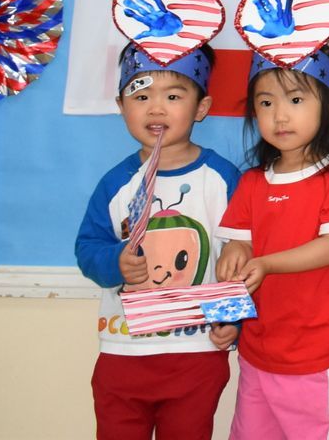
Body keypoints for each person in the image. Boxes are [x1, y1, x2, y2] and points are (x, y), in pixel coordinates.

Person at [75, 43, 241, 440]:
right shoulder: (116, 183)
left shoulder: (221, 179)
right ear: (121, 105)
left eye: (173, 96)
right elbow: (87, 248)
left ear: (201, 108)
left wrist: (234, 320)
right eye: (141, 95)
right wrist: (116, 261)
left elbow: (239, 257)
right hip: (123, 351)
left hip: (196, 354)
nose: (156, 108)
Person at [215, 47, 329, 440]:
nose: (280, 115)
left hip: (321, 351)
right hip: (258, 351)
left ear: (325, 106)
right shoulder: (251, 182)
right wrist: (234, 254)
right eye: (266, 102)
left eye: (296, 100)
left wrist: (266, 264)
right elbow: (237, 246)